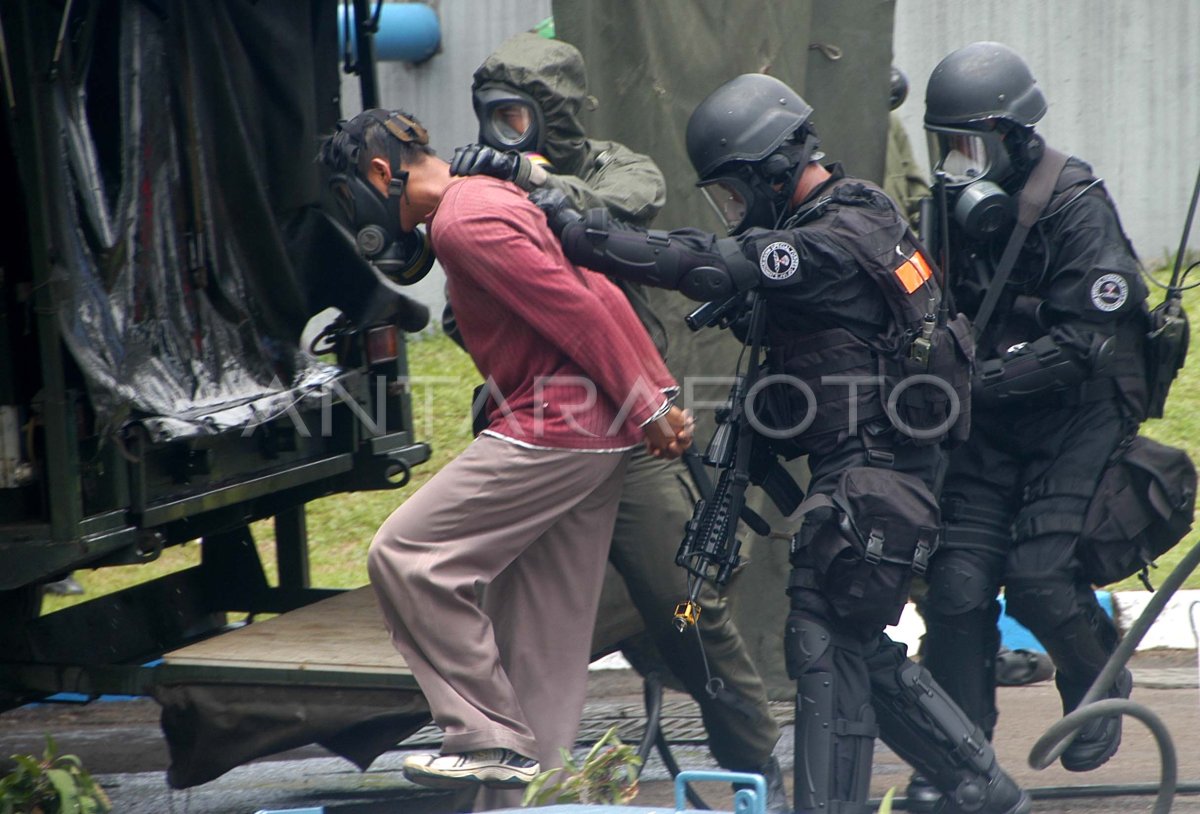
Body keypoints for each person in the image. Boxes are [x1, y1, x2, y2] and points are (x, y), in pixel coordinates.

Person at [535, 72, 1030, 814]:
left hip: (878, 469)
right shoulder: (848, 213)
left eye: (735, 194)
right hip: (876, 463)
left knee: (822, 629)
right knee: (850, 636)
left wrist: (576, 234)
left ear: (771, 169)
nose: (734, 215)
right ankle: (982, 785)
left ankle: (901, 796)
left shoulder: (834, 236)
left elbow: (703, 263)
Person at [444, 32, 789, 811]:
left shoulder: (613, 168)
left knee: (686, 607)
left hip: (629, 431)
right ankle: (514, 781)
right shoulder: (483, 190)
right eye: (494, 117)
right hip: (529, 427)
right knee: (497, 616)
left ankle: (754, 770)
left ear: (555, 115)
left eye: (520, 115)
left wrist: (532, 183)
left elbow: (623, 204)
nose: (507, 131)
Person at [317, 107, 693, 799]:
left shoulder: (464, 221)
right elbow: (599, 289)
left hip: (556, 427)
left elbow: (578, 308)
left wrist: (651, 402)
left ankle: (482, 734)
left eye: (353, 199)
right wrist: (652, 397)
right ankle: (529, 793)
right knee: (538, 651)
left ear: (378, 172)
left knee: (406, 557)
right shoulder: (489, 197)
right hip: (599, 435)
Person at [912, 40, 1146, 796]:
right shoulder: (944, 213)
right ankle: (960, 762)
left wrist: (976, 380)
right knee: (954, 586)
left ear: (1014, 137)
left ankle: (1098, 684)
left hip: (1078, 415)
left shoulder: (1077, 206)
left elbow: (1089, 340)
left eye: (969, 146)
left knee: (1040, 578)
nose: (956, 163)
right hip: (991, 423)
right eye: (944, 146)